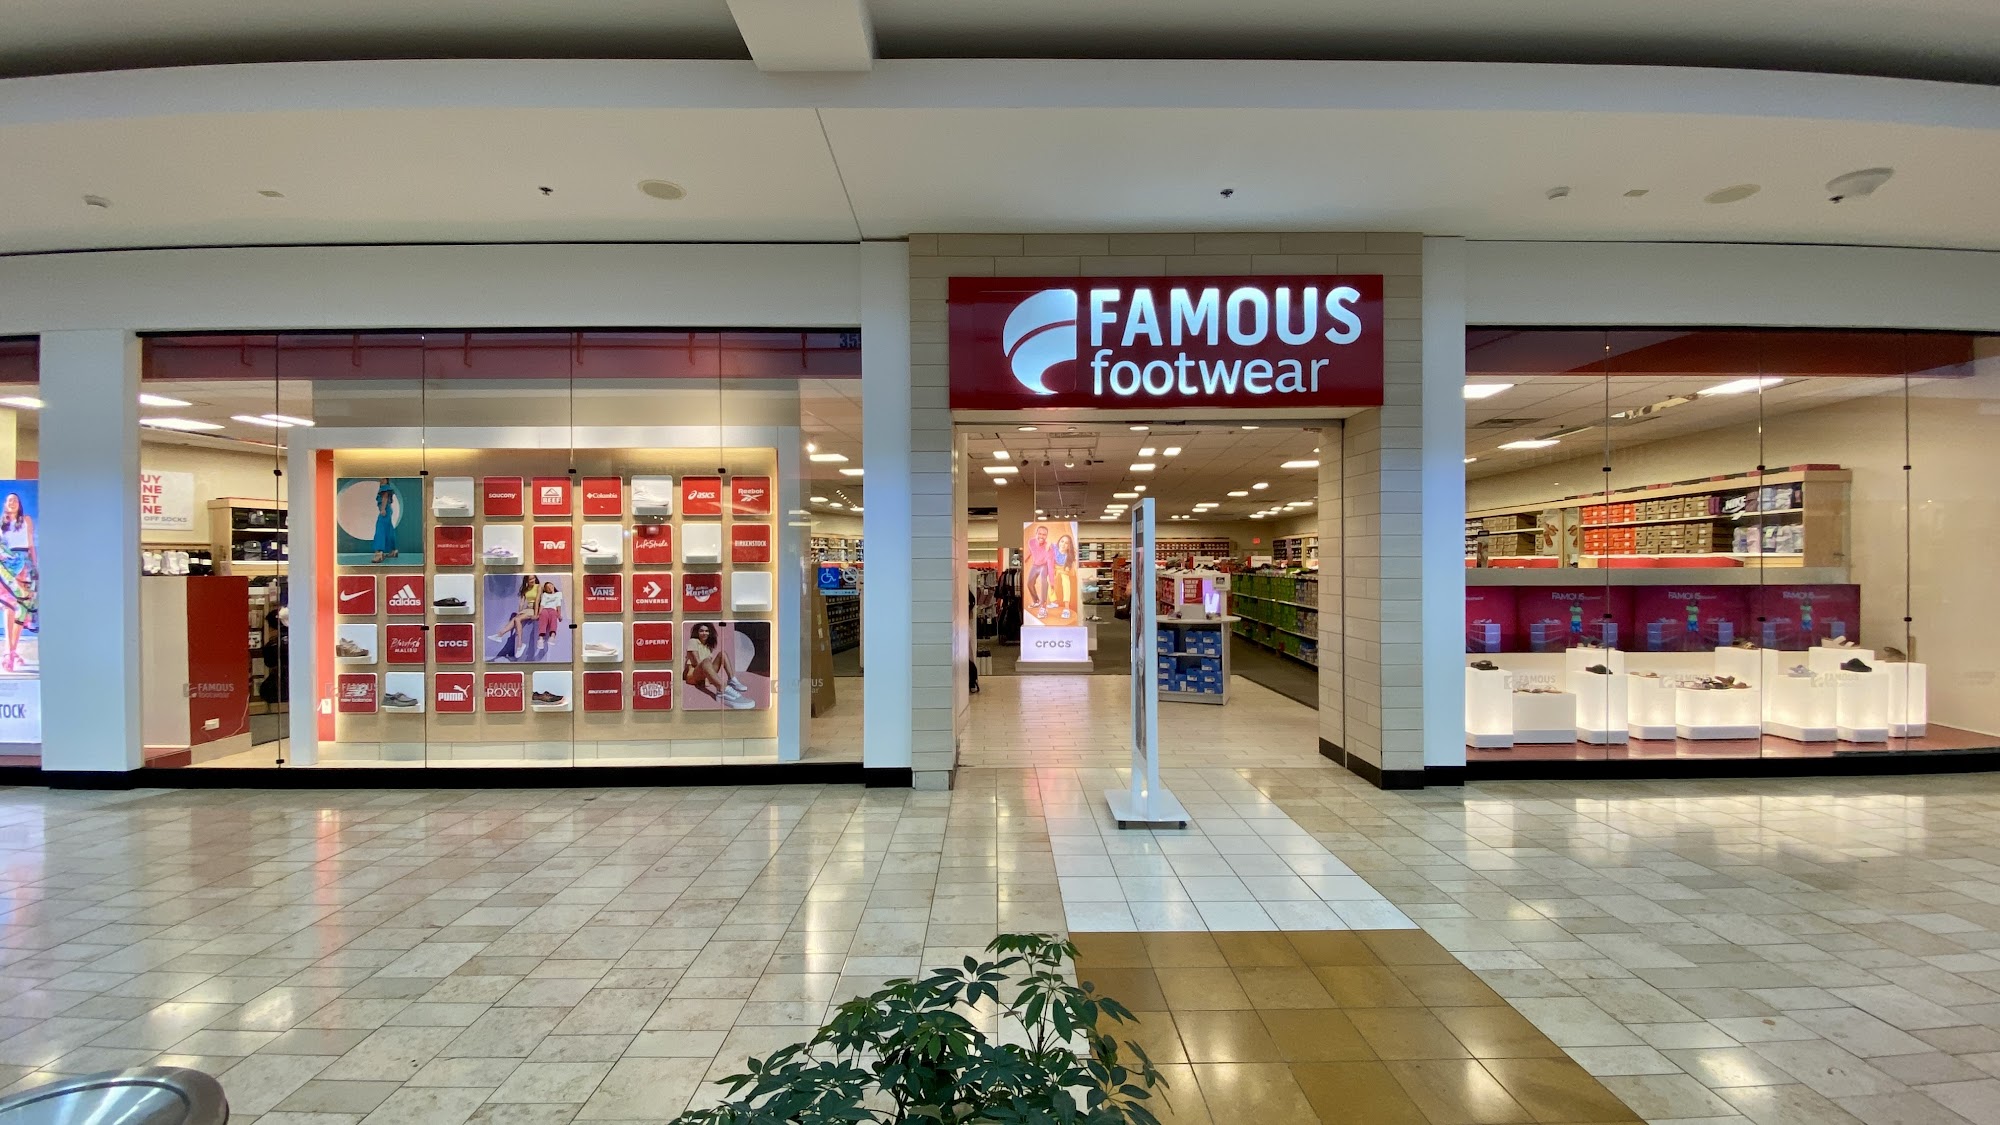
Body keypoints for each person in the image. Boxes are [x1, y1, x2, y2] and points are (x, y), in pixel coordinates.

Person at [0, 493, 36, 674]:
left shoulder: (27, 520)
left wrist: (35, 567)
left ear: (19, 504)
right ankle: (8, 651)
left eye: (15, 500)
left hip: (25, 565)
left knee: (22, 609)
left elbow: (31, 546)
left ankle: (13, 651)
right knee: (9, 606)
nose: (12, 502)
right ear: (5, 505)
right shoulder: (1, 524)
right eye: (9, 500)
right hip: (8, 565)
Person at [683, 622, 754, 709]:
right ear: (697, 633)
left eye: (706, 631)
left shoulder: (708, 647)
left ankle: (732, 680)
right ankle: (722, 689)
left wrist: (708, 679)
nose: (704, 633)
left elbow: (707, 665)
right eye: (701, 631)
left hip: (704, 674)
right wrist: (708, 679)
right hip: (693, 674)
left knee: (722, 654)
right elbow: (697, 662)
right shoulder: (693, 641)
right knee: (706, 661)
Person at [489, 575, 540, 661]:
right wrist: (519, 612)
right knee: (515, 619)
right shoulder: (525, 589)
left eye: (533, 578)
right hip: (527, 609)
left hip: (533, 609)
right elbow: (521, 602)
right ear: (527, 581)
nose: (532, 580)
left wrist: (536, 614)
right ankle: (500, 635)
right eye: (530, 579)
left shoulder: (538, 587)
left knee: (517, 619)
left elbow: (537, 600)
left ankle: (518, 643)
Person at [1023, 524, 1052, 619]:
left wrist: (1051, 578)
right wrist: (1026, 558)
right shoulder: (1031, 542)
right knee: (1029, 584)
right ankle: (1036, 601)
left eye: (1044, 534)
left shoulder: (1048, 546)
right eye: (1040, 533)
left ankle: (1043, 607)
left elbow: (1050, 561)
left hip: (1044, 565)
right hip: (1035, 565)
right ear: (1036, 534)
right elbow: (1032, 550)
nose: (1041, 536)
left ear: (1046, 536)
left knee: (1044, 582)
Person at [370, 478, 399, 562]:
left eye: (384, 479)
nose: (381, 480)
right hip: (388, 510)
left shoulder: (385, 487)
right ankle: (393, 551)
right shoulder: (387, 487)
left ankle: (379, 553)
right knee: (389, 530)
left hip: (385, 510)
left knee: (380, 529)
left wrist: (383, 509)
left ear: (387, 480)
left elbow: (385, 497)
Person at [534, 579, 563, 659]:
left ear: (553, 585)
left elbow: (558, 604)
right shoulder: (545, 595)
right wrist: (539, 613)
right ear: (546, 590)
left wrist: (559, 615)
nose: (550, 587)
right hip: (545, 609)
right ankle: (541, 639)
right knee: (543, 617)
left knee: (553, 616)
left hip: (553, 609)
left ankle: (552, 636)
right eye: (547, 587)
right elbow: (542, 604)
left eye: (550, 585)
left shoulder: (558, 594)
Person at [1052, 533, 1075, 621]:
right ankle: (1054, 601)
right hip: (1054, 568)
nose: (1063, 544)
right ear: (1059, 542)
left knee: (1066, 580)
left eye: (1066, 543)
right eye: (1062, 541)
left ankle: (1066, 607)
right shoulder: (1054, 548)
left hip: (1063, 569)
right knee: (1048, 578)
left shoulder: (1068, 556)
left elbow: (1069, 571)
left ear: (1069, 546)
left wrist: (1061, 571)